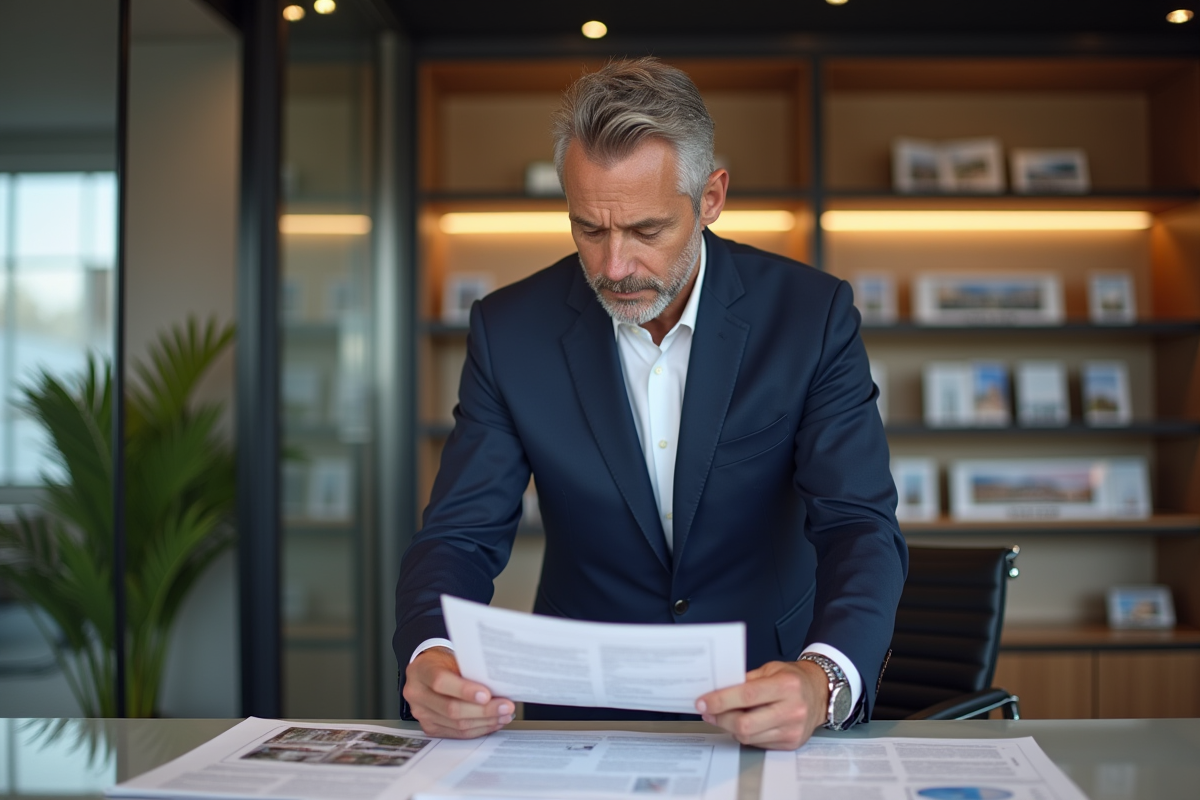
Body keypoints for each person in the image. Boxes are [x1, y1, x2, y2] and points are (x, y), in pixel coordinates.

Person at [394, 57, 907, 750]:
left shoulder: (810, 316)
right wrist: (430, 652)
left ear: (712, 197)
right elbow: (460, 533)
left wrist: (823, 678)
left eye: (645, 231)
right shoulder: (509, 330)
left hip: (773, 701)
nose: (613, 268)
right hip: (579, 717)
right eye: (589, 229)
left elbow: (857, 525)